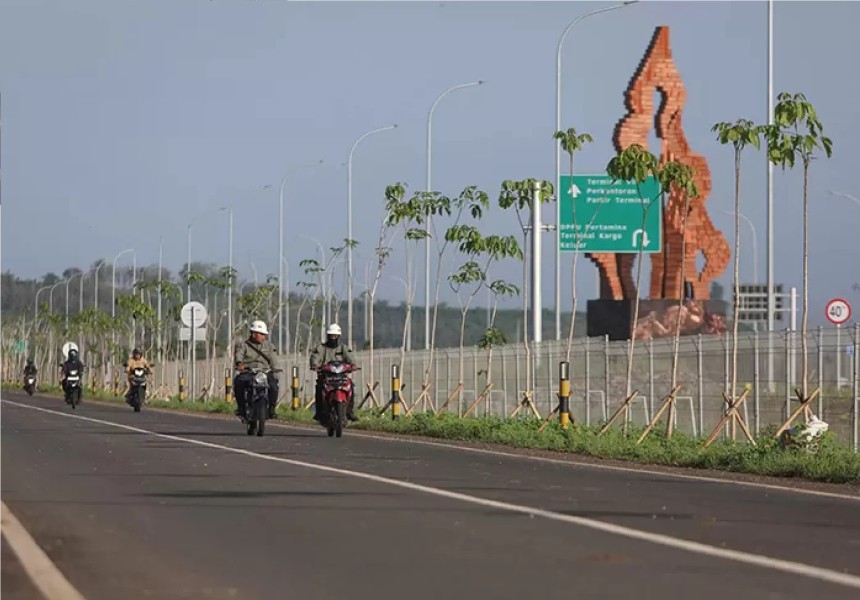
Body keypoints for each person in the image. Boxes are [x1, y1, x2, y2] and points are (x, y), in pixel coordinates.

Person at [310, 323, 358, 423]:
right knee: (319, 388)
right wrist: (315, 365)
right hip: (326, 377)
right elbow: (315, 357)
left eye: (335, 336)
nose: (333, 338)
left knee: (351, 387)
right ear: (328, 336)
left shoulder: (343, 348)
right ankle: (319, 413)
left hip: (341, 376)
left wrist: (353, 365)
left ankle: (350, 411)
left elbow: (351, 358)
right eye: (331, 336)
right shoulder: (321, 348)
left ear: (338, 337)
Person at [233, 320, 279, 420]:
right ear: (253, 334)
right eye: (261, 334)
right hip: (249, 372)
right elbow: (239, 354)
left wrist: (275, 370)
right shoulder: (244, 345)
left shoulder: (269, 346)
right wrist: (239, 364)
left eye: (264, 334)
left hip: (265, 373)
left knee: (274, 387)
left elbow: (273, 360)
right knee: (238, 382)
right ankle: (241, 408)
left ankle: (271, 409)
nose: (263, 337)